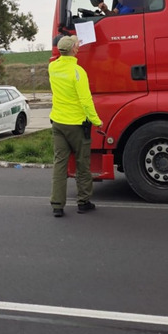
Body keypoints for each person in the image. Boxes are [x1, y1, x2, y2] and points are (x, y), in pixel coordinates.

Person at [48, 35, 103, 217]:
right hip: (77, 125)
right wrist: (97, 121)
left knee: (60, 164)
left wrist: (70, 44)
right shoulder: (78, 72)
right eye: (76, 45)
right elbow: (86, 101)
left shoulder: (53, 67)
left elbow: (61, 57)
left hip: (58, 123)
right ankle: (83, 202)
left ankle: (57, 205)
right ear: (74, 50)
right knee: (82, 164)